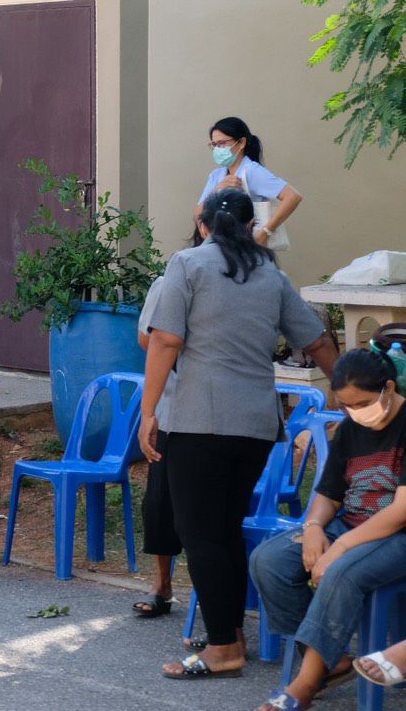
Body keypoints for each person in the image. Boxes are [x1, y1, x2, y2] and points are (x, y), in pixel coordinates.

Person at [140, 188, 339, 680]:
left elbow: (164, 338)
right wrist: (348, 393)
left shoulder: (187, 264)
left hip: (197, 420)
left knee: (200, 533)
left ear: (203, 225)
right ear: (252, 227)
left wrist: (149, 414)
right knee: (224, 528)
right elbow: (314, 339)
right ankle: (229, 633)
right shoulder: (271, 274)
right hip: (254, 423)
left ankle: (225, 648)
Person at [248, 349, 406, 711]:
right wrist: (314, 529)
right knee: (269, 561)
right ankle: (331, 659)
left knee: (339, 572)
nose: (356, 412)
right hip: (348, 526)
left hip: (400, 535)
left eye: (364, 403)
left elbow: (403, 509)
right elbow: (328, 492)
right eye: (347, 405)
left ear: (388, 388)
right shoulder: (353, 428)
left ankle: (304, 686)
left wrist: (338, 547)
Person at [131, 224, 205, 620]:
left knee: (204, 510)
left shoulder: (251, 278)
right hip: (174, 408)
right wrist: (176, 342)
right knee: (159, 504)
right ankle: (161, 584)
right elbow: (147, 337)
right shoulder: (171, 281)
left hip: (214, 416)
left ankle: (209, 593)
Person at [198, 117, 301, 249]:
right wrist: (217, 189)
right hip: (221, 247)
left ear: (241, 143)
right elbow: (198, 212)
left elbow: (293, 197)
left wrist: (266, 231)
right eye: (215, 145)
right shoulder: (216, 175)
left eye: (222, 143)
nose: (218, 149)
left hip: (247, 249)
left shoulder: (251, 171)